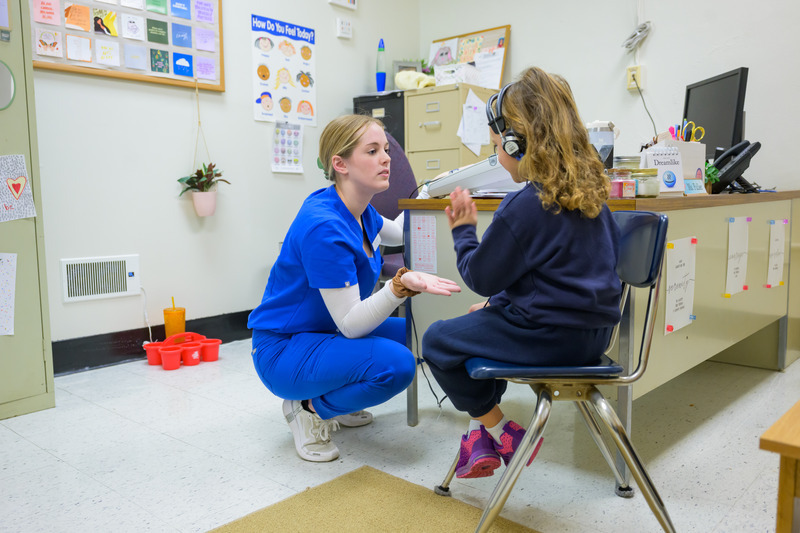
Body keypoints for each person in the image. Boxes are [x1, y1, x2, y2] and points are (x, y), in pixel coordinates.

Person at [421, 67, 622, 479]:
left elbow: (480, 276)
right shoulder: (593, 197)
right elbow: (559, 276)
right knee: (480, 323)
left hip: (547, 339)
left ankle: (500, 429)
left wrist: (463, 232)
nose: (498, 154)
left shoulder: (527, 205)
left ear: (517, 142)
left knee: (439, 342)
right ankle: (478, 441)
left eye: (498, 145)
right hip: (594, 338)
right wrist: (499, 304)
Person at [248, 114, 461, 462]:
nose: (387, 158)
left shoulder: (359, 210)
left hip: (325, 334)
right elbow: (351, 324)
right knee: (398, 365)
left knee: (424, 331)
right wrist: (397, 288)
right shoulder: (325, 227)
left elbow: (399, 230)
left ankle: (338, 392)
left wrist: (431, 190)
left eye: (386, 150)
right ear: (340, 164)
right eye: (373, 150)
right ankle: (309, 409)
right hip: (284, 350)